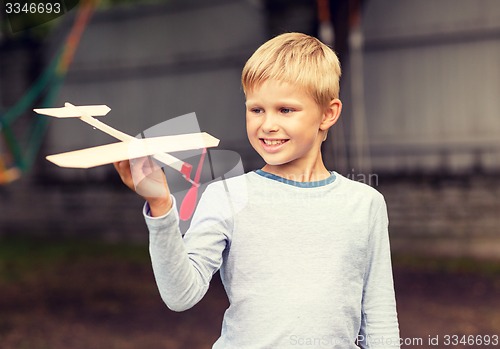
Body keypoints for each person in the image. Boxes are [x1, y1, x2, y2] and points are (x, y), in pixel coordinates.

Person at [114, 32, 400, 349]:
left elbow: (379, 315)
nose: (267, 125)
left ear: (328, 114)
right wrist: (161, 205)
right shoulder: (227, 195)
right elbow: (180, 295)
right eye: (257, 110)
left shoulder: (365, 203)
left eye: (286, 110)